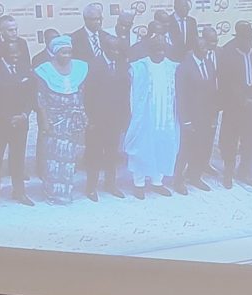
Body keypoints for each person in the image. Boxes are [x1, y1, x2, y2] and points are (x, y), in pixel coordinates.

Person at [34, 37, 90, 205]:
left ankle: (66, 192)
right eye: (62, 52)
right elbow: (40, 99)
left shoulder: (80, 68)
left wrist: (82, 115)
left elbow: (81, 93)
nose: (66, 55)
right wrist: (44, 121)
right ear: (53, 53)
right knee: (53, 157)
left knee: (69, 158)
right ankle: (52, 193)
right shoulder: (43, 71)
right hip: (54, 120)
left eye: (69, 52)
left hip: (73, 120)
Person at [124, 35, 181, 197]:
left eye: (163, 49)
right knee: (142, 147)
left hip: (166, 116)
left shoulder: (172, 67)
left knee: (162, 146)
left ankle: (157, 181)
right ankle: (139, 183)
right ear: (150, 50)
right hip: (145, 117)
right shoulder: (138, 67)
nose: (160, 53)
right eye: (156, 49)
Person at [0, 32, 36, 208]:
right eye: (11, 55)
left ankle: (19, 192)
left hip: (21, 123)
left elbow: (30, 94)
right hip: (0, 124)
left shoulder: (24, 68)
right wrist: (7, 119)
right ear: (3, 54)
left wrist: (24, 115)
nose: (15, 57)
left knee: (18, 159)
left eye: (17, 54)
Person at [174, 27, 220, 193]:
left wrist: (214, 116)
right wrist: (185, 120)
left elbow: (212, 92)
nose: (206, 50)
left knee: (201, 148)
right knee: (185, 150)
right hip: (191, 117)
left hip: (206, 116)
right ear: (194, 49)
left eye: (207, 47)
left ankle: (195, 176)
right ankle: (178, 180)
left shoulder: (208, 63)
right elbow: (181, 96)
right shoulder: (184, 67)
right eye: (202, 48)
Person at [84, 34, 130, 199]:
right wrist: (91, 119)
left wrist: (125, 119)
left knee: (112, 154)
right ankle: (91, 187)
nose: (116, 52)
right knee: (94, 155)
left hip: (115, 119)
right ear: (104, 48)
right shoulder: (94, 66)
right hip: (97, 120)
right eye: (113, 49)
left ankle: (110, 184)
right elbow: (88, 95)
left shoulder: (122, 65)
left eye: (118, 49)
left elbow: (125, 94)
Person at [219, 23, 252, 186]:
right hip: (234, 106)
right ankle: (228, 172)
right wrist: (242, 98)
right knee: (229, 141)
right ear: (237, 37)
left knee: (250, 140)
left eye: (250, 37)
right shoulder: (227, 52)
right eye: (244, 38)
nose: (248, 41)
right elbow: (226, 81)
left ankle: (244, 172)